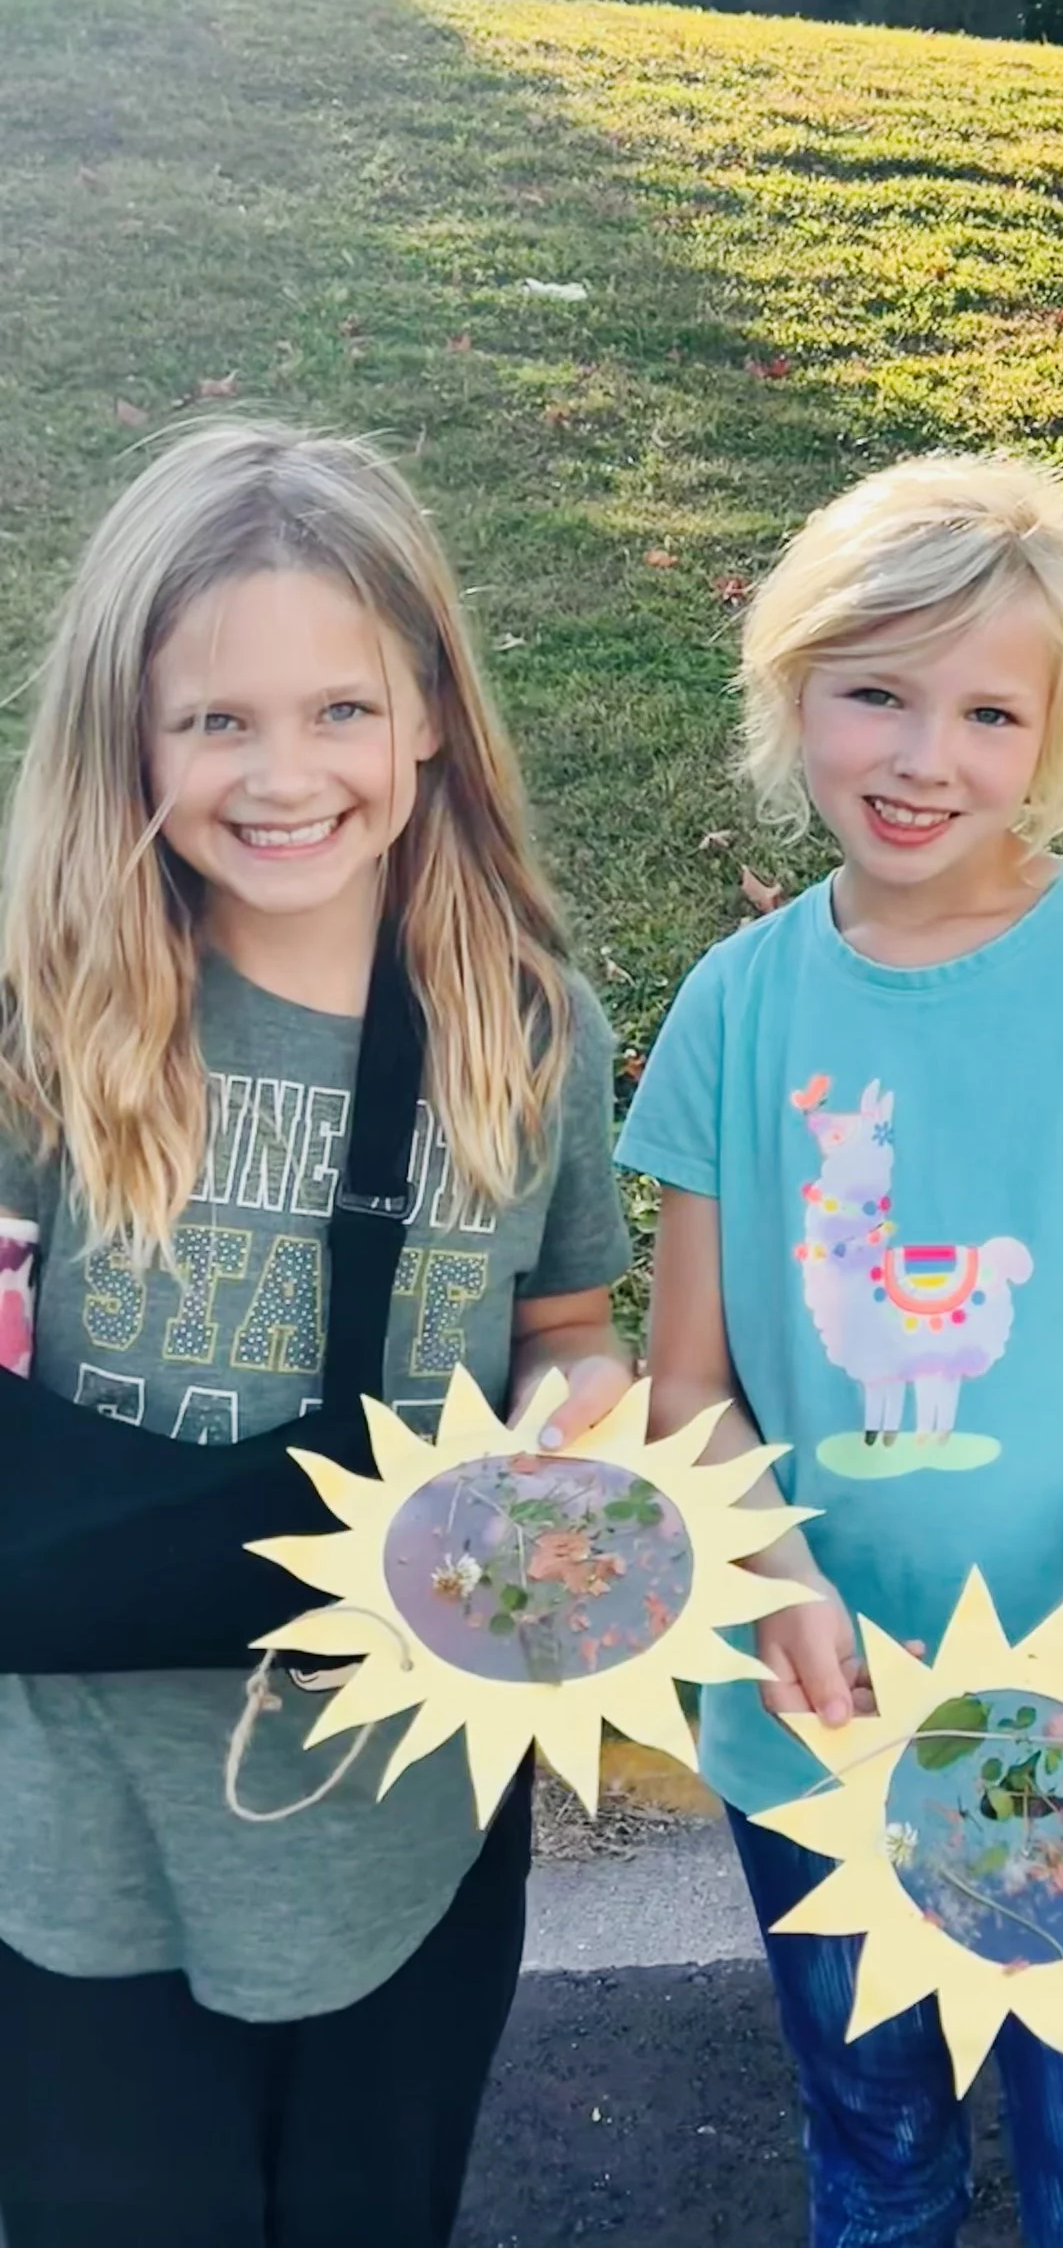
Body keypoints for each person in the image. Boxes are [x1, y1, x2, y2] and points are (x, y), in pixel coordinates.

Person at [622, 451, 1063, 2248]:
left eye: (989, 711)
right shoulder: (736, 1004)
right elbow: (686, 1373)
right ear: (792, 695)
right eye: (877, 695)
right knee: (881, 2160)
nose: (926, 759)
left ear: (1053, 734)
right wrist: (767, 1576)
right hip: (812, 1719)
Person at [0, 421, 633, 2248]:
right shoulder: (44, 1015)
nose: (286, 776)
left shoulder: (528, 1027)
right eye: (217, 724)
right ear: (127, 733)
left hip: (403, 1832)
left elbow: (568, 1323)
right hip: (66, 1833)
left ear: (432, 713)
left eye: (341, 711)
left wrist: (571, 1425)